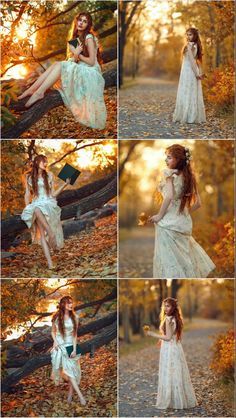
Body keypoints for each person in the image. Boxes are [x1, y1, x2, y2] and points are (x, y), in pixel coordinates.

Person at [18, 12, 106, 130]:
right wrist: (75, 54)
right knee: (56, 64)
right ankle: (32, 89)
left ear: (88, 25)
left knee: (60, 65)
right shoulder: (74, 40)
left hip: (91, 71)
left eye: (85, 21)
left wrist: (77, 54)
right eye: (80, 20)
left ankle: (39, 92)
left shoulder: (89, 37)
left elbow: (91, 61)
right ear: (76, 21)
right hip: (81, 67)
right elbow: (75, 60)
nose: (81, 23)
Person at [149, 144, 215, 278]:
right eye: (166, 157)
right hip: (183, 222)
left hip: (168, 224)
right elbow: (198, 204)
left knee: (169, 261)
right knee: (183, 259)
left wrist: (159, 215)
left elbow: (169, 196)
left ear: (178, 160)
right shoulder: (189, 177)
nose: (166, 160)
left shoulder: (169, 175)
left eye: (169, 158)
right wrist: (183, 213)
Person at [145, 297, 197, 409]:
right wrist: (161, 340)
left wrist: (151, 334)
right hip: (174, 347)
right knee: (175, 372)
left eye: (168, 306)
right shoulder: (174, 318)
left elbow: (168, 337)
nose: (165, 308)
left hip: (170, 349)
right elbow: (171, 335)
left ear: (173, 307)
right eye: (164, 305)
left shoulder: (169, 319)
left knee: (171, 372)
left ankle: (174, 401)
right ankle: (177, 400)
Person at [21, 154, 69, 269]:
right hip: (36, 202)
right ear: (37, 162)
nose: (46, 164)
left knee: (37, 209)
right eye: (44, 162)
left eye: (46, 162)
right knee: (37, 215)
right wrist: (27, 207)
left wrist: (65, 184)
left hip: (48, 202)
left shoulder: (49, 175)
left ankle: (50, 233)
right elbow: (27, 194)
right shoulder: (28, 177)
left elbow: (52, 194)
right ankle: (50, 263)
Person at [51, 296, 86, 405]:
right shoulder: (57, 317)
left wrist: (74, 349)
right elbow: (53, 332)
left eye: (71, 303)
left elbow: (75, 335)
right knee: (70, 373)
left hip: (71, 345)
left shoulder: (75, 317)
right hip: (61, 345)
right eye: (68, 303)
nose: (71, 305)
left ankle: (70, 396)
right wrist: (55, 342)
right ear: (62, 305)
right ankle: (81, 396)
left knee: (73, 372)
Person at [173, 27, 206, 123]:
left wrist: (197, 74)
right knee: (190, 91)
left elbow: (192, 61)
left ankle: (188, 116)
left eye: (190, 34)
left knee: (187, 91)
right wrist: (199, 72)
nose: (188, 36)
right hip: (189, 71)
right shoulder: (196, 45)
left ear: (195, 35)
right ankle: (191, 115)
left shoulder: (190, 45)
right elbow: (197, 61)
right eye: (187, 34)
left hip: (189, 71)